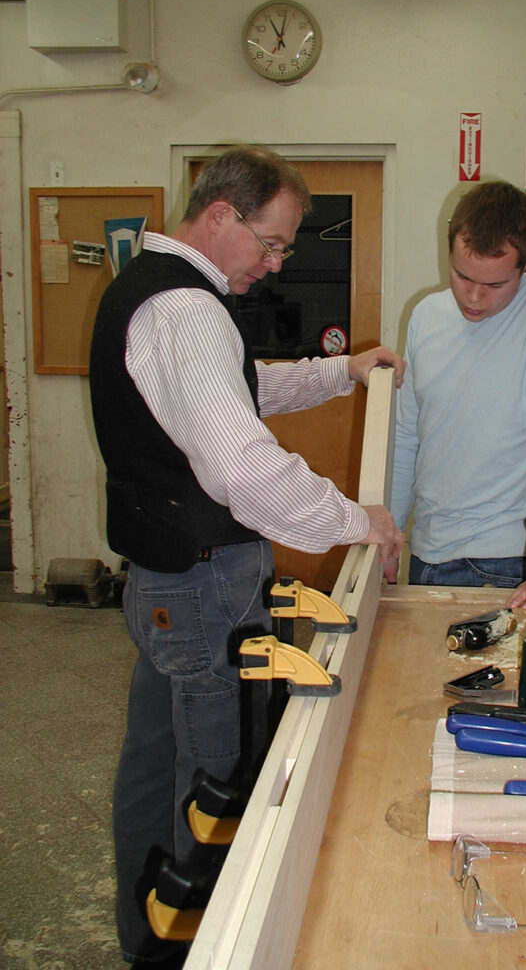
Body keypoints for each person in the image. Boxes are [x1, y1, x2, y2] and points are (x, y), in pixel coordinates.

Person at [89, 145, 404, 968]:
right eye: (269, 244)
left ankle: (143, 945)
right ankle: (194, 954)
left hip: (166, 585)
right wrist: (354, 520)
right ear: (221, 214)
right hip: (199, 590)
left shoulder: (150, 290)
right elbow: (242, 468)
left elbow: (230, 392)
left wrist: (341, 371)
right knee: (215, 787)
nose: (273, 265)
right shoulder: (188, 310)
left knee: (156, 771)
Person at [386, 179, 526, 609]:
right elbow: (407, 437)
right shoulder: (426, 316)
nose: (473, 297)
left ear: (525, 266)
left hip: (508, 565)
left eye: (494, 285)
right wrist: (390, 537)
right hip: (429, 556)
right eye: (462, 275)